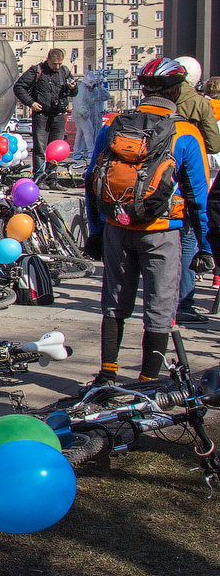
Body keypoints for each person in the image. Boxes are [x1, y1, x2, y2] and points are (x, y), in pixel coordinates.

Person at [83, 57, 210, 385]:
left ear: (143, 89)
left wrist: (96, 230)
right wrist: (206, 246)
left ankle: (107, 376)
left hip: (116, 229)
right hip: (162, 231)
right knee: (160, 307)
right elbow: (198, 198)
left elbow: (90, 178)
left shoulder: (115, 126)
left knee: (114, 303)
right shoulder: (185, 132)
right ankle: (148, 382)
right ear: (179, 90)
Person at [168, 57, 220, 324]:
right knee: (190, 238)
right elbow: (213, 144)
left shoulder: (162, 95)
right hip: (190, 175)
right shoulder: (200, 102)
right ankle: (184, 302)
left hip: (159, 179)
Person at [14, 48, 79, 174]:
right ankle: (39, 177)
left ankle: (52, 178)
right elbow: (19, 87)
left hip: (58, 115)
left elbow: (74, 93)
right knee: (40, 148)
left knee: (55, 149)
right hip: (41, 115)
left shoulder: (64, 71)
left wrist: (73, 88)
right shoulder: (36, 70)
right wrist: (30, 103)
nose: (57, 66)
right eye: (55, 63)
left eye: (60, 63)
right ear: (48, 59)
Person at [70, 69, 111, 160]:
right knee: (89, 131)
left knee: (81, 132)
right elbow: (80, 102)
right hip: (82, 114)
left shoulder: (93, 90)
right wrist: (85, 112)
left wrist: (99, 87)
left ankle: (79, 151)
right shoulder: (82, 89)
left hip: (88, 114)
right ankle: (90, 151)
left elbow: (106, 96)